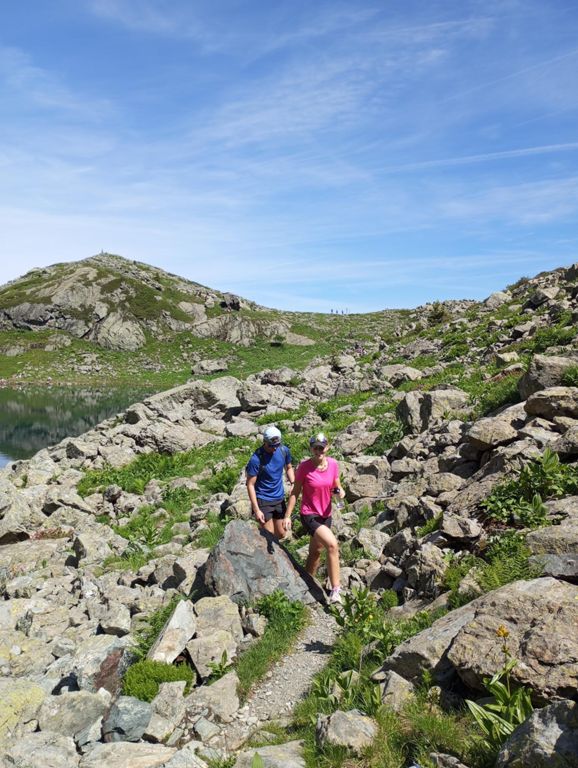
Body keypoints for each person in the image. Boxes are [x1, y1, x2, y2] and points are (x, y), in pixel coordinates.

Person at [285, 432, 345, 604]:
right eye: (315, 447)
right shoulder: (304, 467)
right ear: (311, 448)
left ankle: (306, 581)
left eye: (322, 447)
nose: (319, 450)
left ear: (327, 447)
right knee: (332, 545)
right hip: (309, 514)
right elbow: (295, 492)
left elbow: (337, 485)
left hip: (326, 514)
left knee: (316, 552)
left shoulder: (333, 464)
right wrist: (288, 516)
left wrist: (340, 492)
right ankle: (336, 591)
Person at [246, 426, 294, 538]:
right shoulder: (256, 459)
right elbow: (250, 484)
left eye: (277, 446)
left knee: (281, 534)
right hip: (263, 499)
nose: (274, 449)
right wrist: (256, 509)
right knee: (270, 535)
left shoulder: (283, 450)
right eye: (271, 446)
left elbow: (289, 467)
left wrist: (293, 482)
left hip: (279, 498)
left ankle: (259, 535)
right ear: (265, 442)